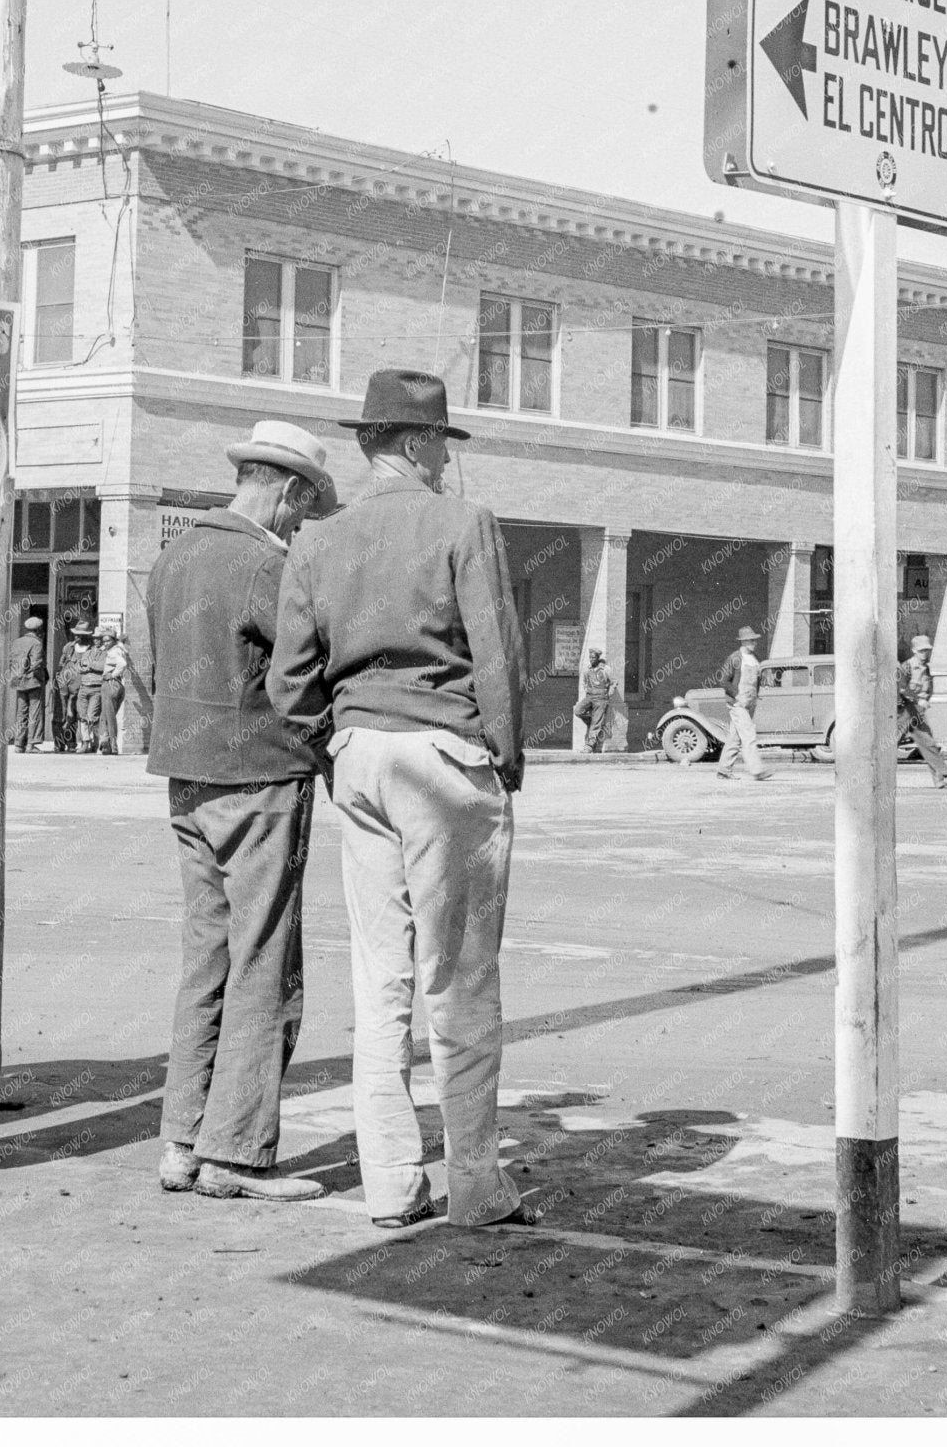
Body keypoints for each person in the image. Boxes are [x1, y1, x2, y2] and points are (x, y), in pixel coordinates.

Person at [269, 367, 531, 1232]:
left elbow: (289, 680)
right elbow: (495, 654)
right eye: (442, 444)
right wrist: (506, 750)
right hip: (444, 754)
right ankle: (475, 1185)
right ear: (420, 444)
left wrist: (333, 746)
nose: (446, 461)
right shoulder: (463, 525)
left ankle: (389, 1183)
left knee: (379, 980)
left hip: (359, 757)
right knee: (459, 981)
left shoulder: (317, 539)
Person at [142, 420, 338, 1202]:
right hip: (261, 778)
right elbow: (305, 673)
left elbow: (145, 672)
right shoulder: (269, 564)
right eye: (303, 507)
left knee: (208, 959)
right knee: (266, 965)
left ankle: (182, 1143)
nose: (300, 522)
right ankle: (238, 1155)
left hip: (187, 778)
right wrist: (324, 749)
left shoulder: (173, 555)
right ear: (288, 489)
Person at [898, 635, 947, 788]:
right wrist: (918, 700)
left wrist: (923, 702)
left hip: (916, 712)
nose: (924, 653)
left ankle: (940, 778)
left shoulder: (926, 668)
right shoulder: (906, 667)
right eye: (921, 651)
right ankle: (945, 774)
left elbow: (928, 689)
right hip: (905, 711)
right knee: (889, 745)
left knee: (928, 742)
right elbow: (901, 688)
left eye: (927, 650)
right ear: (914, 651)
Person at [715, 624, 774, 781]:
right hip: (737, 704)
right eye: (751, 641)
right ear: (743, 642)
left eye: (754, 641)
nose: (754, 643)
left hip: (750, 704)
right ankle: (757, 771)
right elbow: (723, 680)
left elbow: (757, 681)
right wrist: (737, 695)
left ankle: (723, 771)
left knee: (735, 738)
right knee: (748, 734)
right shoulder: (735, 658)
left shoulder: (754, 659)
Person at [8, 615, 47, 753]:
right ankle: (31, 743)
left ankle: (18, 744)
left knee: (21, 712)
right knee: (34, 712)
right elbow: (37, 663)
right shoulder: (36, 643)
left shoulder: (16, 642)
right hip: (33, 681)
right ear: (39, 629)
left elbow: (11, 661)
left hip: (18, 681)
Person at [97, 624, 129, 756]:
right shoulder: (119, 649)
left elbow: (122, 664)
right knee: (106, 716)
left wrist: (112, 674)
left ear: (114, 640)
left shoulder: (114, 652)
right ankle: (106, 744)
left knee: (108, 716)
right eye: (104, 640)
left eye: (108, 640)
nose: (105, 643)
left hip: (110, 683)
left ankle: (112, 746)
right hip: (117, 685)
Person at [75, 629, 109, 753]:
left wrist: (90, 666)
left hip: (96, 688)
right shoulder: (87, 652)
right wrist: (87, 667)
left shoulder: (105, 653)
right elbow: (79, 666)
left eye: (99, 638)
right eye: (95, 638)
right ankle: (85, 742)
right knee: (82, 716)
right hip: (84, 687)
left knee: (92, 716)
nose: (97, 641)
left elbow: (103, 667)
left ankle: (96, 741)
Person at [576, 649, 615, 753]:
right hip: (589, 696)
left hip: (601, 698)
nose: (591, 660)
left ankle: (589, 746)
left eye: (593, 658)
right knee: (578, 710)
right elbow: (584, 681)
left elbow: (613, 683)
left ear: (598, 658)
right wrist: (586, 689)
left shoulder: (606, 669)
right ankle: (592, 722)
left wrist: (608, 694)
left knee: (596, 723)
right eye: (590, 657)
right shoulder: (587, 669)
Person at [54, 630, 86, 753]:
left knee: (75, 714)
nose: (77, 637)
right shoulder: (69, 647)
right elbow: (61, 662)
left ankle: (71, 743)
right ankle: (59, 743)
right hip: (64, 684)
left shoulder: (89, 650)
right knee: (61, 714)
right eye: (76, 634)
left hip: (79, 686)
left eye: (80, 635)